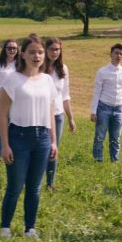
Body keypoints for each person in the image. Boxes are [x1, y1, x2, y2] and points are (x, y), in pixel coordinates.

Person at [0, 35, 57, 239]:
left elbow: (50, 111)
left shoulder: (47, 80)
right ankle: (5, 228)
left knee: (34, 188)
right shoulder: (12, 80)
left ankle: (29, 228)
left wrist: (53, 141)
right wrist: (5, 145)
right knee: (15, 186)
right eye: (32, 52)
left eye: (40, 52)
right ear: (22, 54)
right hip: (19, 138)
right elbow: (2, 115)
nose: (37, 56)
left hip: (42, 139)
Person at [44, 38, 76, 190]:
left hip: (57, 115)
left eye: (57, 49)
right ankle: (33, 181)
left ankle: (50, 183)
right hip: (40, 115)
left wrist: (70, 118)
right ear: (46, 50)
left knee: (53, 149)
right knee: (39, 149)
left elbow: (65, 95)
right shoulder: (38, 67)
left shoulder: (63, 69)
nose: (54, 52)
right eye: (52, 49)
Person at [90, 43, 122, 162]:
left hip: (118, 109)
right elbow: (96, 92)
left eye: (121, 54)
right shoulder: (102, 72)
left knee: (116, 137)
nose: (119, 56)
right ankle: (98, 159)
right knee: (100, 136)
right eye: (116, 53)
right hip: (103, 108)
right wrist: (93, 111)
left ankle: (115, 160)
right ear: (111, 55)